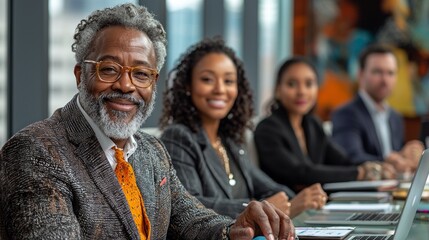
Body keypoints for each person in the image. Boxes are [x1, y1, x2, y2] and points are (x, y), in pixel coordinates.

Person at [0, 4, 296, 240]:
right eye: (109, 69)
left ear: (154, 82)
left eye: (141, 74)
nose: (126, 86)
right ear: (80, 75)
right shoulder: (35, 152)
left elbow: (189, 219)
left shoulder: (152, 151)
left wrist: (233, 230)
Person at [159, 38, 328, 219]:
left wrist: (294, 200)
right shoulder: (178, 137)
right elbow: (189, 206)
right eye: (207, 79)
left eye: (229, 81)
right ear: (188, 86)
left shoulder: (230, 140)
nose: (220, 89)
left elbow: (271, 188)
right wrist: (257, 208)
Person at [254, 57, 396, 193]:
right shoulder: (267, 129)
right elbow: (300, 173)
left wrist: (378, 167)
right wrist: (360, 173)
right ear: (278, 90)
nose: (301, 92)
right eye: (291, 84)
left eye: (309, 84)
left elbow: (343, 161)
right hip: (288, 212)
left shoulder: (312, 124)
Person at [331, 44, 424, 175]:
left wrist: (405, 156)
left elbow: (395, 159)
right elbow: (350, 157)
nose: (385, 79)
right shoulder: (346, 114)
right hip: (362, 192)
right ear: (361, 74)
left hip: (393, 189)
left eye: (390, 73)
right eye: (377, 72)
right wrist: (390, 161)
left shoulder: (395, 117)